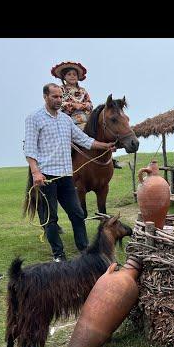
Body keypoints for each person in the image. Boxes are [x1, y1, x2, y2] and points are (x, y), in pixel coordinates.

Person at [24, 83, 117, 262]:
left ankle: (84, 249)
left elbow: (83, 139)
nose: (59, 100)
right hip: (46, 177)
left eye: (60, 97)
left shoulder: (66, 120)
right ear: (45, 97)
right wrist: (35, 172)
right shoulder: (34, 118)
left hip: (66, 176)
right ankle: (58, 254)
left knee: (77, 213)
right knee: (51, 217)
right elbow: (29, 148)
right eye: (55, 97)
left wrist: (105, 146)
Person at [51, 61, 122, 168]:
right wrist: (75, 105)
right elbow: (60, 104)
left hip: (86, 119)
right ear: (64, 76)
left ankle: (109, 158)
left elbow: (90, 104)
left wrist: (84, 106)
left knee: (101, 132)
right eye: (69, 74)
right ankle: (65, 162)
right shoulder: (60, 90)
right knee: (72, 138)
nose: (72, 76)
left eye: (74, 74)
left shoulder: (83, 91)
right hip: (68, 120)